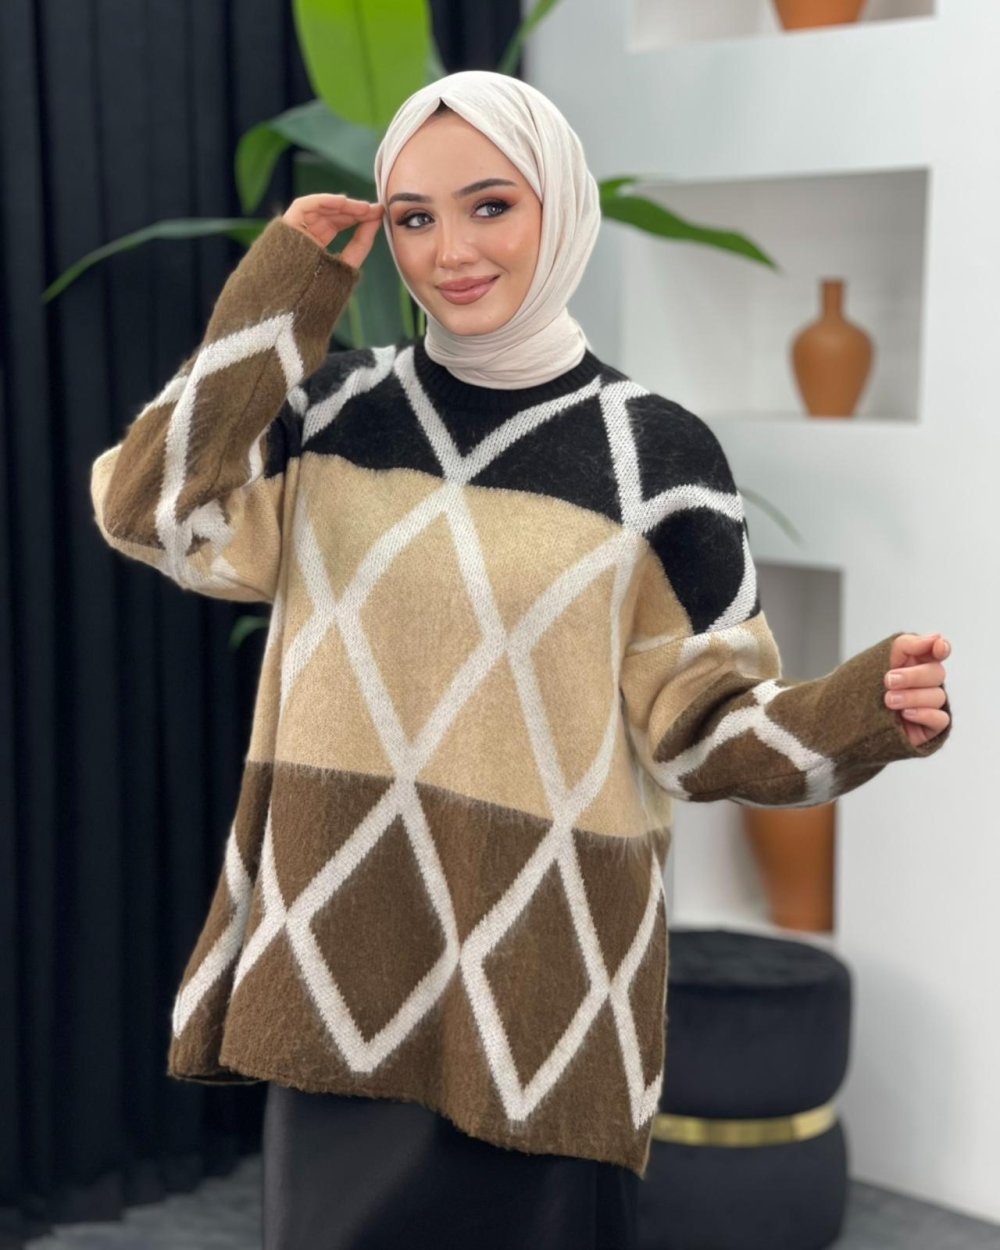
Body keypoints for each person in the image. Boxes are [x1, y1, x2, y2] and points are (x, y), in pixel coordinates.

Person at [89, 70, 952, 1250]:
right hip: (340, 963)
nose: (450, 250)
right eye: (414, 217)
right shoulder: (330, 411)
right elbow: (147, 509)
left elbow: (699, 731)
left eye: (490, 205)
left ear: (561, 205)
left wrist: (859, 712)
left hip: (545, 991)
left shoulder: (658, 455)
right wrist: (280, 295)